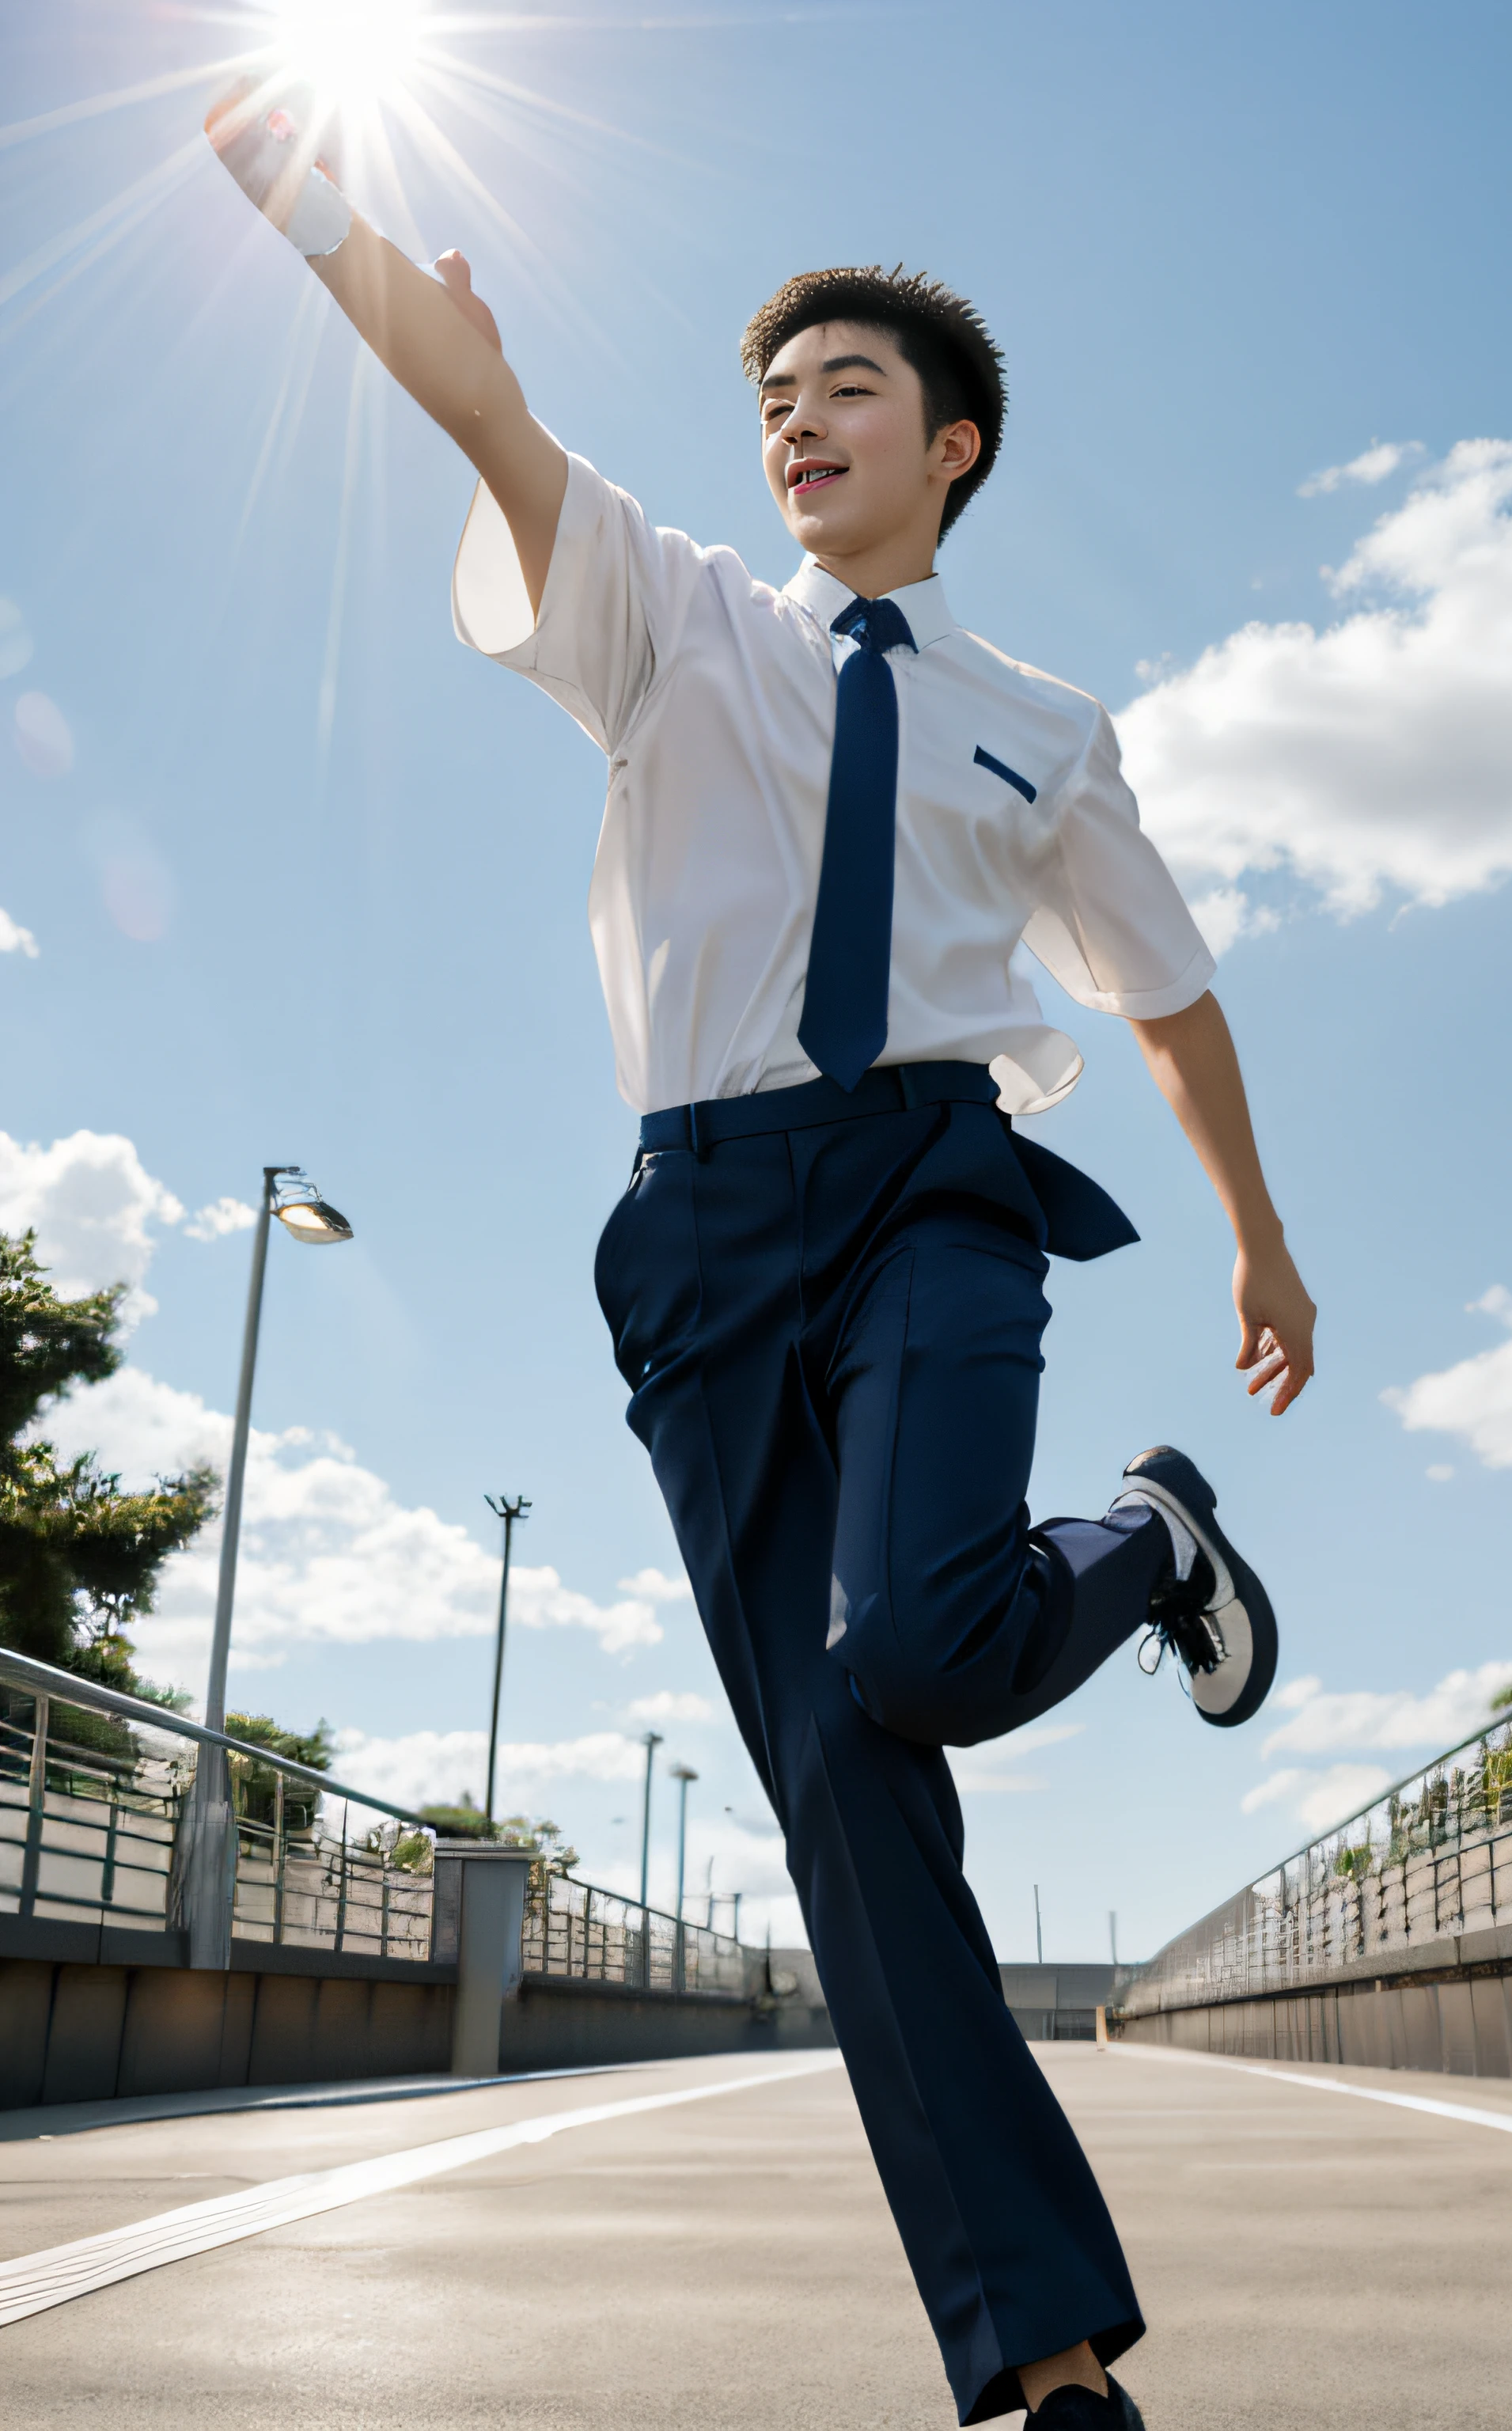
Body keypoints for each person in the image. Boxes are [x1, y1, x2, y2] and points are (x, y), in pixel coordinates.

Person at [207, 85, 1317, 2431]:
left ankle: (1142, 1534)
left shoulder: (1041, 731)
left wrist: (1262, 1235)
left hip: (933, 1182)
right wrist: (322, 219)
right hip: (699, 1221)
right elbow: (485, 411)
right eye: (774, 398)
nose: (800, 423)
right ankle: (1051, 2370)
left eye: (848, 391)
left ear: (957, 443)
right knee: (840, 1774)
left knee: (913, 1637)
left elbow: (1169, 995)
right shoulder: (673, 618)